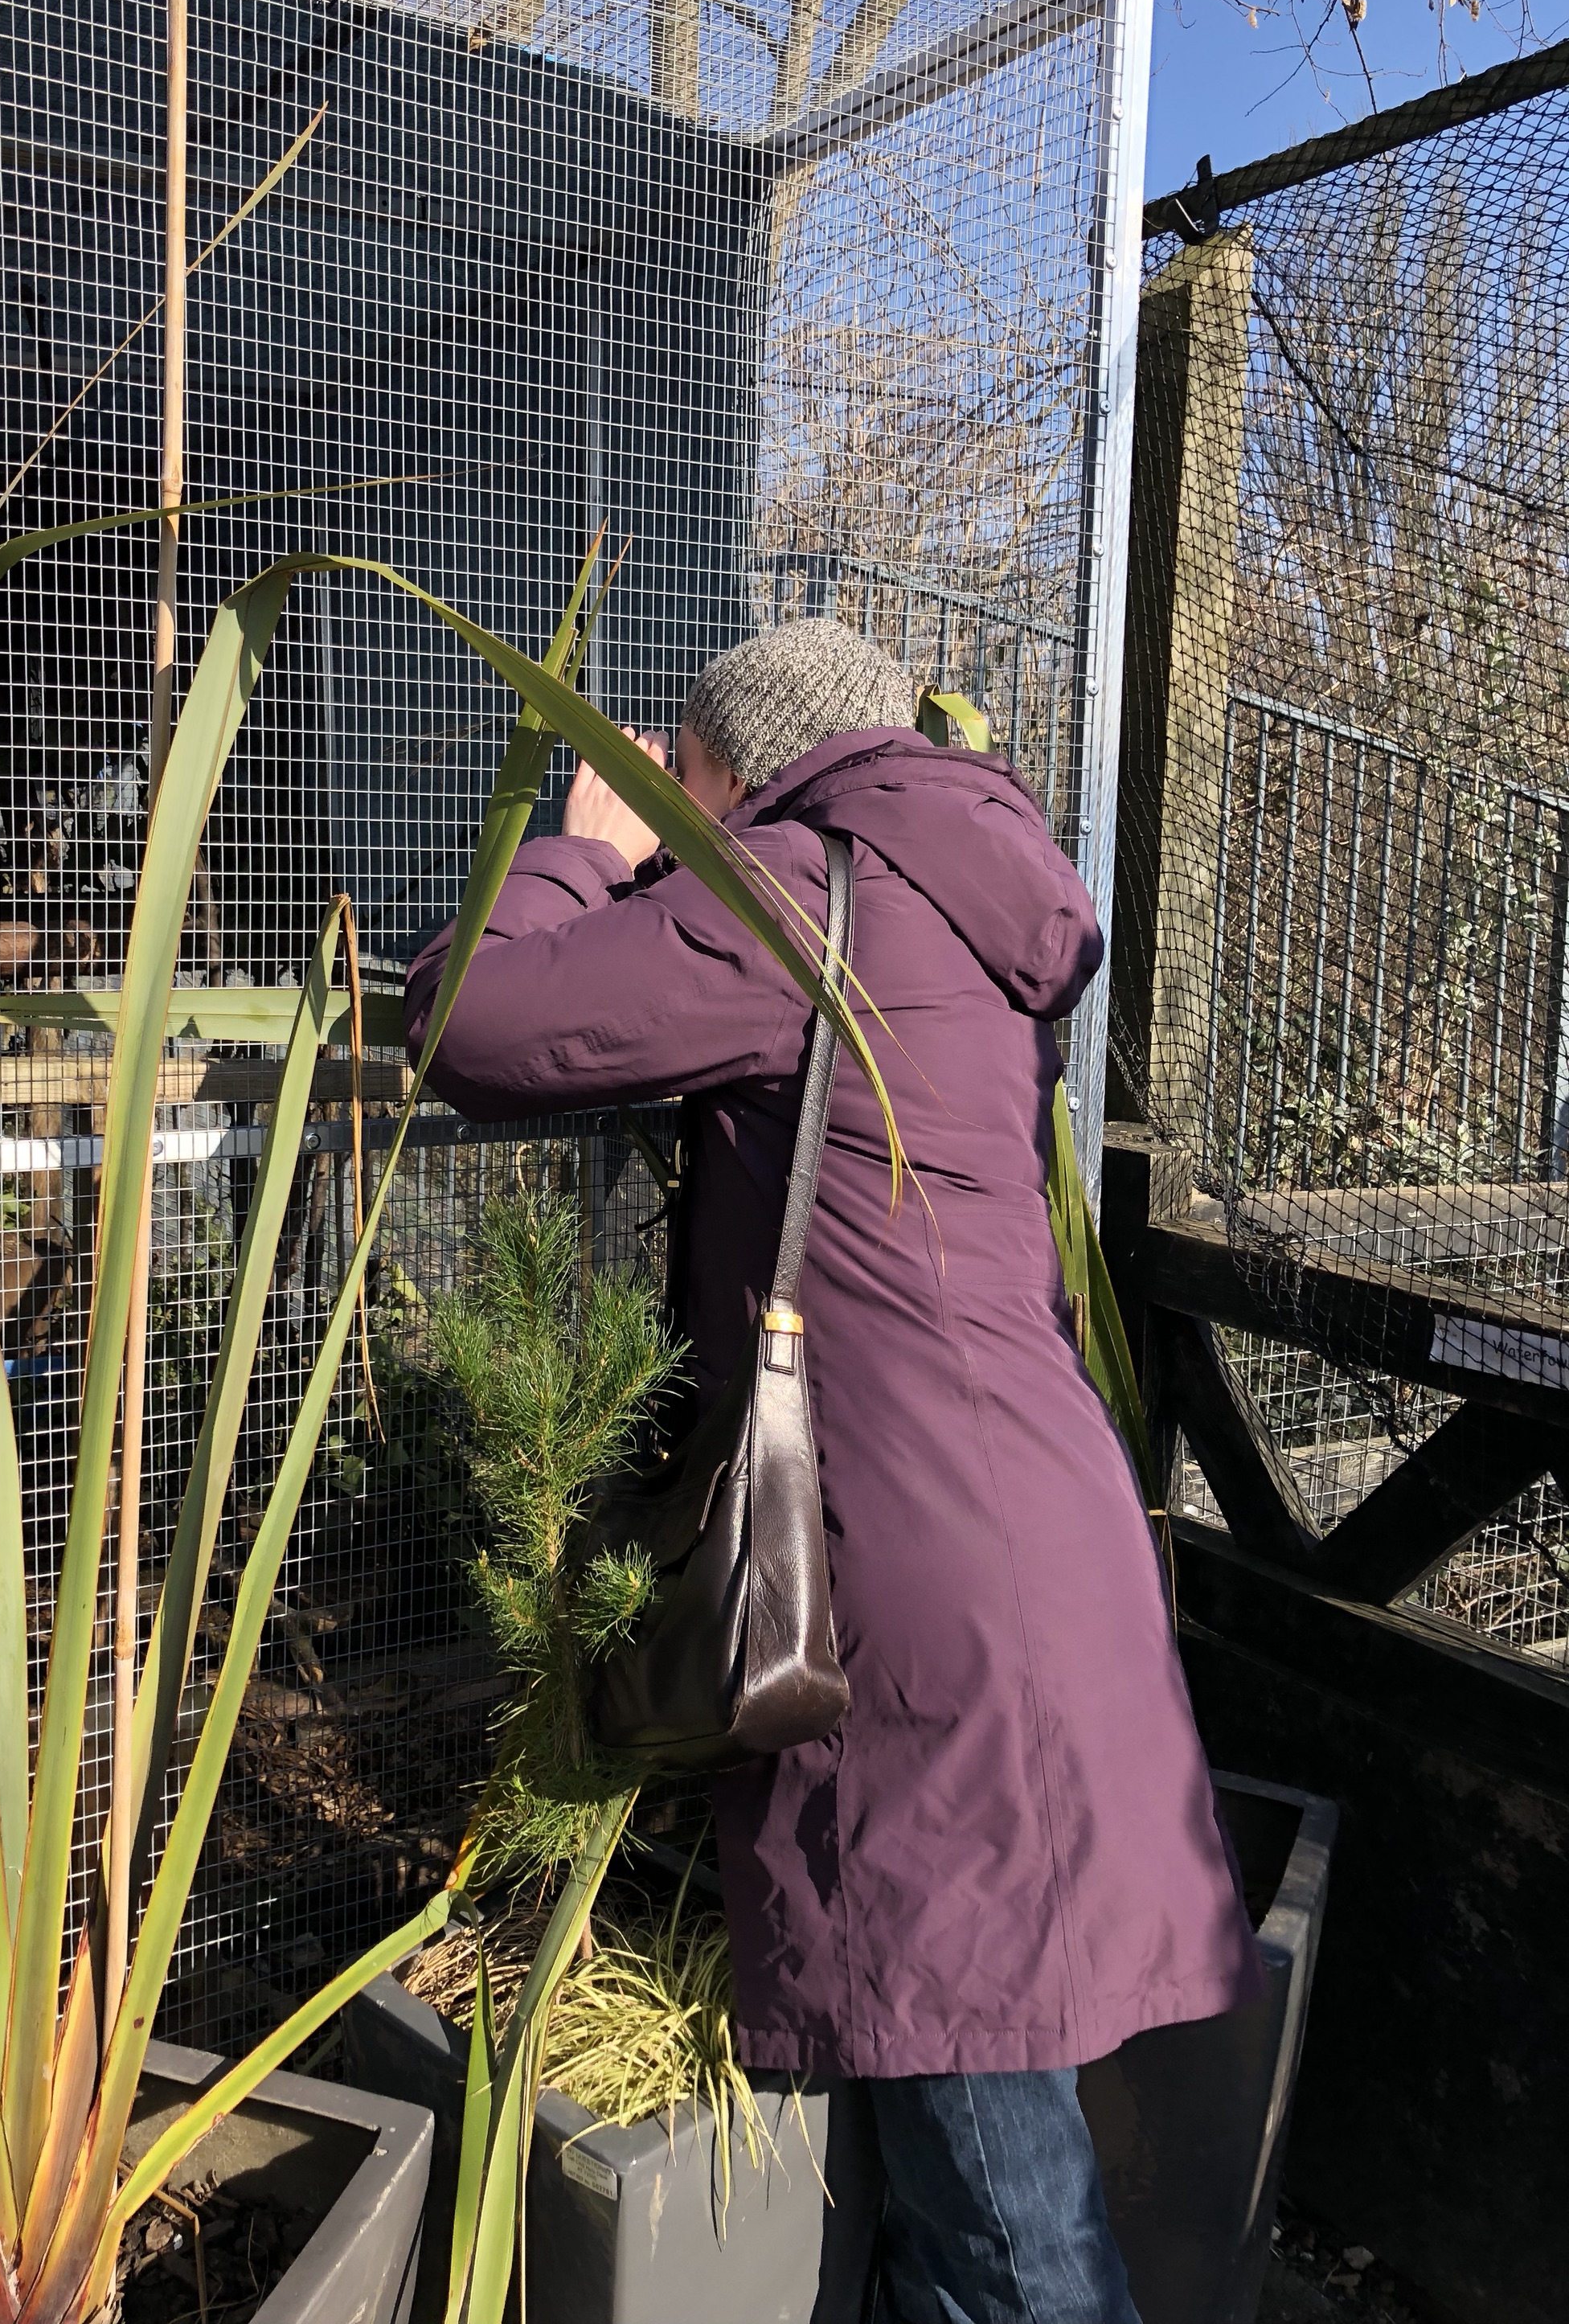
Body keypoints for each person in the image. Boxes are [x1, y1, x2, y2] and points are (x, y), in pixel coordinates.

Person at [404, 618, 1261, 2323]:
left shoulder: (800, 886)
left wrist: (585, 851)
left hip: (924, 1589)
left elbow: (474, 1020)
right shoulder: (958, 890)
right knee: (974, 2142)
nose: (673, 809)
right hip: (1027, 1532)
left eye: (683, 779)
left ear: (739, 770)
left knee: (1005, 2210)